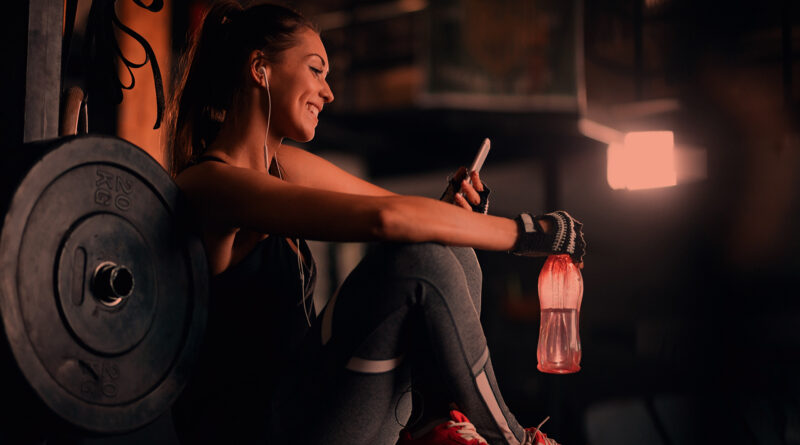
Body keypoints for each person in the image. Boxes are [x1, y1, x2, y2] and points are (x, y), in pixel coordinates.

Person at [167, 2, 585, 445]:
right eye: (316, 70)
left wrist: (447, 211)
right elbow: (389, 220)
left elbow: (400, 207)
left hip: (326, 407)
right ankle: (511, 438)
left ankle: (437, 416)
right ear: (260, 68)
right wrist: (526, 233)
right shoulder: (208, 184)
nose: (327, 93)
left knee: (448, 248)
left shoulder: (281, 164)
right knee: (425, 260)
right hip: (267, 430)